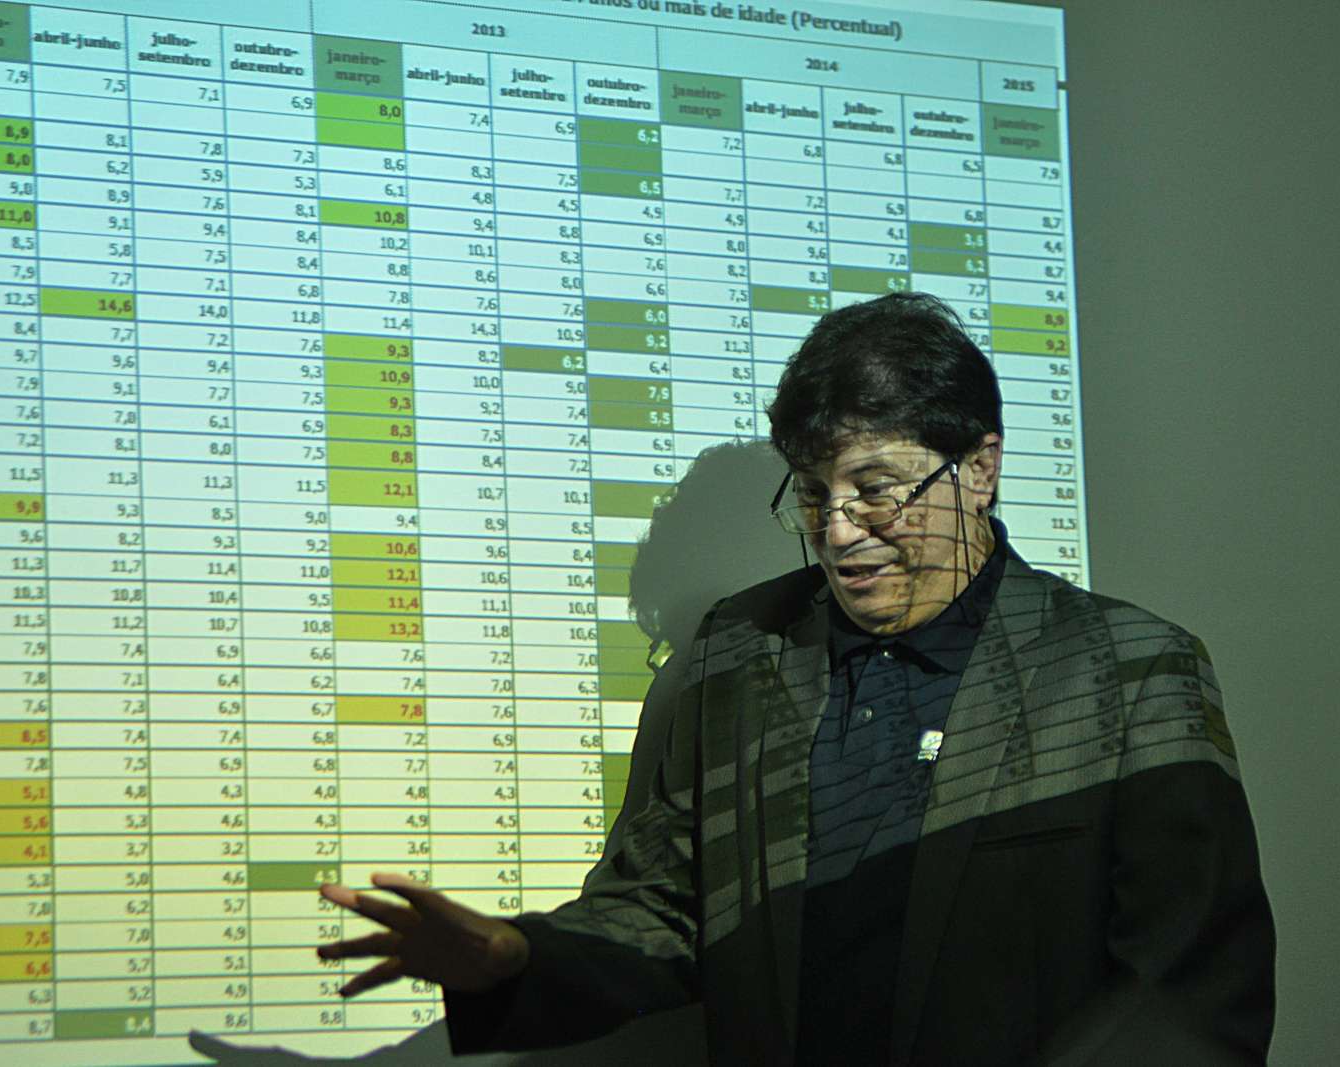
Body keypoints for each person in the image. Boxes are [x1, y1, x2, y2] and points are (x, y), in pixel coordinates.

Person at [316, 292, 1276, 1065]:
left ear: (980, 468)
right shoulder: (740, 648)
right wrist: (515, 957)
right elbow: (665, 905)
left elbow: (1188, 995)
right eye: (814, 494)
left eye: (875, 489)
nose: (839, 531)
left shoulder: (1129, 670)